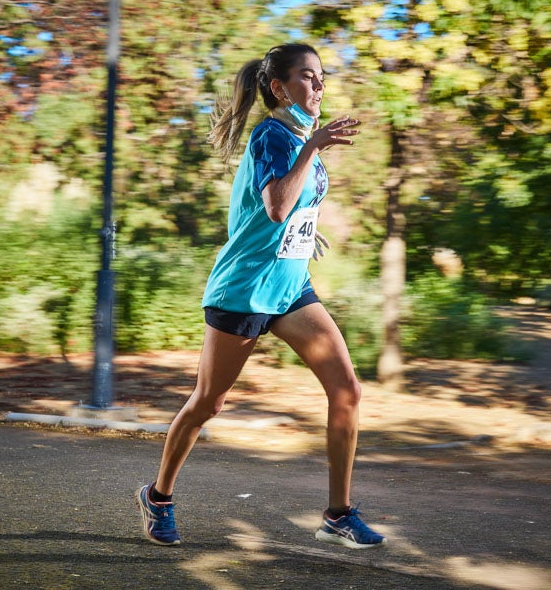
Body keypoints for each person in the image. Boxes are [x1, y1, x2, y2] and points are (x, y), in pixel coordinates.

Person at [135, 43, 386, 549]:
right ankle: (157, 497)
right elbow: (274, 206)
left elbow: (283, 211)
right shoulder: (273, 134)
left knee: (347, 390)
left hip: (290, 288)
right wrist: (313, 148)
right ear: (278, 88)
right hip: (245, 291)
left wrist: (305, 233)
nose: (320, 85)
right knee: (209, 403)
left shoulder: (297, 136)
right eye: (307, 76)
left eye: (321, 76)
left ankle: (338, 514)